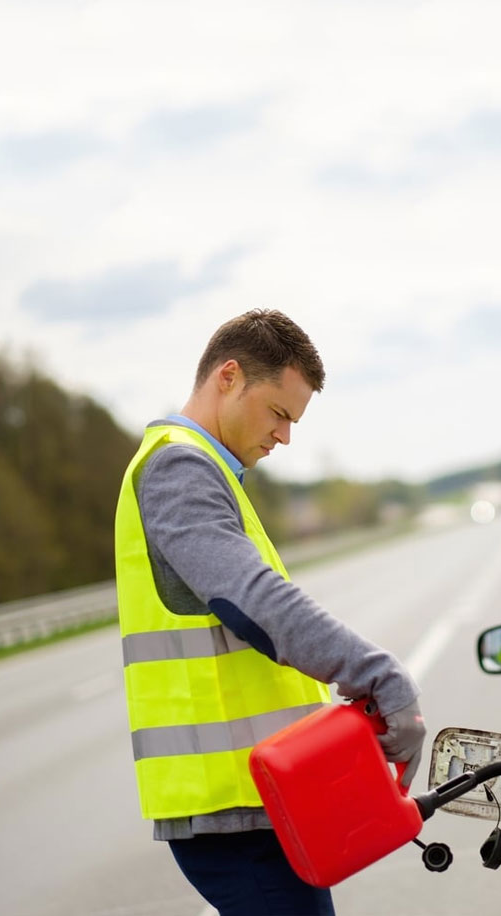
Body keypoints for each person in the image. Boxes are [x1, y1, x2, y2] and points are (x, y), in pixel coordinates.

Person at [114, 308, 426, 916]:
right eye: (279, 413)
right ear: (228, 377)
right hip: (232, 810)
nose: (285, 437)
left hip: (260, 799)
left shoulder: (207, 470)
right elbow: (251, 600)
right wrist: (376, 672)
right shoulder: (179, 468)